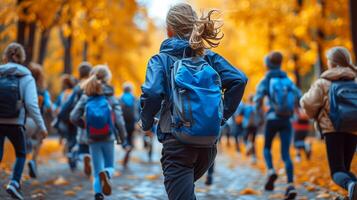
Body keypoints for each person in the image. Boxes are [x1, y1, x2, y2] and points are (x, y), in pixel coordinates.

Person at [140, 3, 247, 200]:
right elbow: (239, 80)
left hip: (177, 143)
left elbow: (153, 92)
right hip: (207, 145)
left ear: (169, 30)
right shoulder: (208, 57)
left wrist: (145, 122)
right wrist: (219, 117)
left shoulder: (160, 60)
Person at [300, 47, 357, 200]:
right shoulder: (355, 79)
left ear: (331, 63)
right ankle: (352, 187)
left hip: (332, 129)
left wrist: (306, 104)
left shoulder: (323, 82)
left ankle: (351, 186)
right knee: (345, 168)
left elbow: (309, 104)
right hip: (353, 129)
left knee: (337, 170)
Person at [70, 65, 127, 200]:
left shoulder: (86, 96)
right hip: (108, 136)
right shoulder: (111, 96)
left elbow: (73, 116)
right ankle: (107, 174)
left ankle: (98, 194)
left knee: (96, 172)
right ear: (108, 78)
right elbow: (119, 120)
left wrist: (84, 125)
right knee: (109, 166)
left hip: (92, 137)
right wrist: (123, 136)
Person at [0, 43, 47, 200]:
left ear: (5, 56)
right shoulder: (26, 77)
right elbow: (32, 105)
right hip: (15, 122)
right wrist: (41, 126)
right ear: (21, 57)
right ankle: (14, 183)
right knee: (21, 153)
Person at [254, 51, 301, 199]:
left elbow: (257, 99)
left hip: (272, 119)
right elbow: (299, 96)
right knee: (286, 154)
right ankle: (290, 185)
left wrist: (260, 116)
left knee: (267, 147)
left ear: (268, 64)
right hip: (286, 120)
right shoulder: (288, 80)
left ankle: (271, 170)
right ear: (280, 63)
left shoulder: (266, 80)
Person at [57, 62, 92, 175]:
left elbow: (68, 103)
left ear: (80, 73)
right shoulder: (93, 85)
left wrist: (61, 115)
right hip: (88, 118)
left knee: (73, 138)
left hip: (75, 117)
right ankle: (85, 155)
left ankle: (73, 157)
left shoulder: (77, 87)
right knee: (87, 139)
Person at [26, 62, 52, 179]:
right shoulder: (43, 91)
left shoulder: (25, 87)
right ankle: (33, 160)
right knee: (39, 141)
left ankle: (26, 151)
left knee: (24, 140)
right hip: (38, 120)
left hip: (25, 119)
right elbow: (48, 106)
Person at [52, 74, 77, 171]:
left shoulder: (63, 94)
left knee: (68, 136)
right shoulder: (74, 93)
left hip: (64, 119)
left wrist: (57, 112)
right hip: (74, 119)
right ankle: (72, 155)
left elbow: (55, 106)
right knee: (74, 137)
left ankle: (68, 149)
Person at [240, 95, 264, 164]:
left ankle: (248, 145)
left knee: (244, 138)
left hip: (246, 125)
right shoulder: (256, 107)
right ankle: (254, 157)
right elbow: (261, 117)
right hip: (255, 126)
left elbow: (240, 115)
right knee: (253, 141)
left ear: (248, 99)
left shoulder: (245, 107)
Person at [119, 82, 137, 167]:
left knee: (123, 137)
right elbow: (139, 110)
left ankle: (125, 146)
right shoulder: (134, 98)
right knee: (130, 137)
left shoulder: (120, 98)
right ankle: (128, 148)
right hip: (132, 122)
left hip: (122, 122)